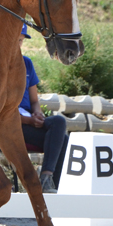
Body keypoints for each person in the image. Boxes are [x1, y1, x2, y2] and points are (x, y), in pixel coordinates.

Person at [17, 24, 67, 194]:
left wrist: (37, 113)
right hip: (12, 125)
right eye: (15, 39)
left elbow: (34, 100)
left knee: (59, 125)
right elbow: (1, 112)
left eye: (21, 41)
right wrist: (28, 120)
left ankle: (48, 182)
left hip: (29, 121)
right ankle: (47, 182)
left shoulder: (27, 63)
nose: (18, 44)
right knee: (63, 139)